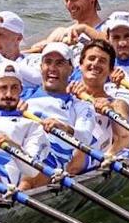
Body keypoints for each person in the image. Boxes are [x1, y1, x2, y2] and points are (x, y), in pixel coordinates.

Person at [21, 42, 96, 179]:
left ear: (71, 69)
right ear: (41, 67)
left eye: (59, 63)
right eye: (48, 62)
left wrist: (64, 127)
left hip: (50, 160)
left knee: (28, 177)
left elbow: (85, 137)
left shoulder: (81, 106)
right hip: (19, 151)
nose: (52, 68)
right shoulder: (22, 96)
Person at [0, 63, 48, 187]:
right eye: (3, 88)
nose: (9, 94)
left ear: (21, 90)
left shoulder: (32, 125)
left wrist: (12, 145)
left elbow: (32, 170)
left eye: (14, 88)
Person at [68, 39, 129, 160]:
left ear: (110, 70)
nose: (96, 64)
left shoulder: (116, 104)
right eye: (91, 58)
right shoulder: (66, 90)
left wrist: (106, 158)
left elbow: (125, 138)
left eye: (102, 61)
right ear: (81, 64)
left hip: (89, 159)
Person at [35, 0, 107, 48]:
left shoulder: (108, 28)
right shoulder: (62, 33)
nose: (69, 5)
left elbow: (113, 44)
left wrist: (84, 29)